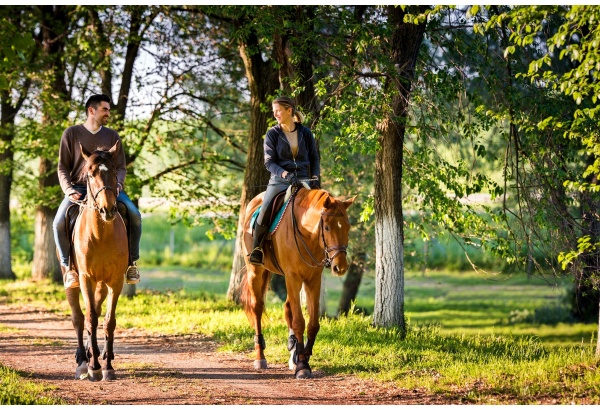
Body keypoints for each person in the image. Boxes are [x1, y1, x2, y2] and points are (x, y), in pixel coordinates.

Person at [52, 93, 142, 288]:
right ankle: (69, 269)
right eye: (105, 109)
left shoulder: (112, 136)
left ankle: (131, 264)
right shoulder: (71, 134)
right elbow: (62, 168)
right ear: (91, 111)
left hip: (109, 188)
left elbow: (121, 168)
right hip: (78, 187)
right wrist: (68, 190)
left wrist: (118, 185)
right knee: (58, 222)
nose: (108, 113)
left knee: (134, 215)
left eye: (108, 110)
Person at [249, 96, 321, 266]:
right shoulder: (272, 134)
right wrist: (286, 175)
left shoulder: (306, 133)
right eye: (274, 112)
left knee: (323, 209)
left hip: (304, 179)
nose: (276, 115)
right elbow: (269, 162)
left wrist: (316, 177)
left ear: (289, 110)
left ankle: (323, 251)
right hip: (280, 180)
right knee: (266, 207)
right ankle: (257, 248)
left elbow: (314, 158)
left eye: (278, 111)